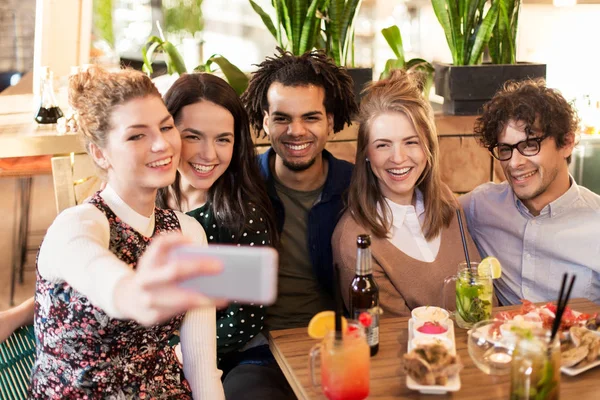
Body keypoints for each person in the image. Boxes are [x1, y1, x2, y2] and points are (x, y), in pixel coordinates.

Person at [27, 66, 224, 399]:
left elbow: (202, 368)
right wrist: (136, 295)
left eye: (166, 127)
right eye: (137, 135)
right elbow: (97, 272)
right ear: (100, 153)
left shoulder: (188, 232)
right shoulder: (77, 224)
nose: (162, 144)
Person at [223, 48, 357, 399]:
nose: (295, 131)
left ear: (331, 121)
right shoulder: (238, 184)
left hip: (339, 345)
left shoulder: (357, 187)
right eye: (282, 118)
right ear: (265, 122)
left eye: (310, 117)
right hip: (257, 354)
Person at [155, 72, 278, 379]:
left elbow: (243, 321)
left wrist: (177, 351)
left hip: (237, 357)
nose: (208, 155)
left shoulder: (242, 215)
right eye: (193, 136)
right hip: (156, 357)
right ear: (167, 133)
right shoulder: (146, 200)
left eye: (223, 139)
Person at [332, 70, 480, 317]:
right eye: (383, 145)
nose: (398, 158)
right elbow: (390, 338)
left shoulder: (447, 202)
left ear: (428, 147)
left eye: (411, 142)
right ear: (366, 154)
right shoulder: (353, 242)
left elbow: (483, 300)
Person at [460, 79, 600, 305]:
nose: (514, 163)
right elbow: (427, 212)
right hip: (498, 337)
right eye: (506, 149)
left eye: (529, 145)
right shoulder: (480, 205)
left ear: (566, 143)